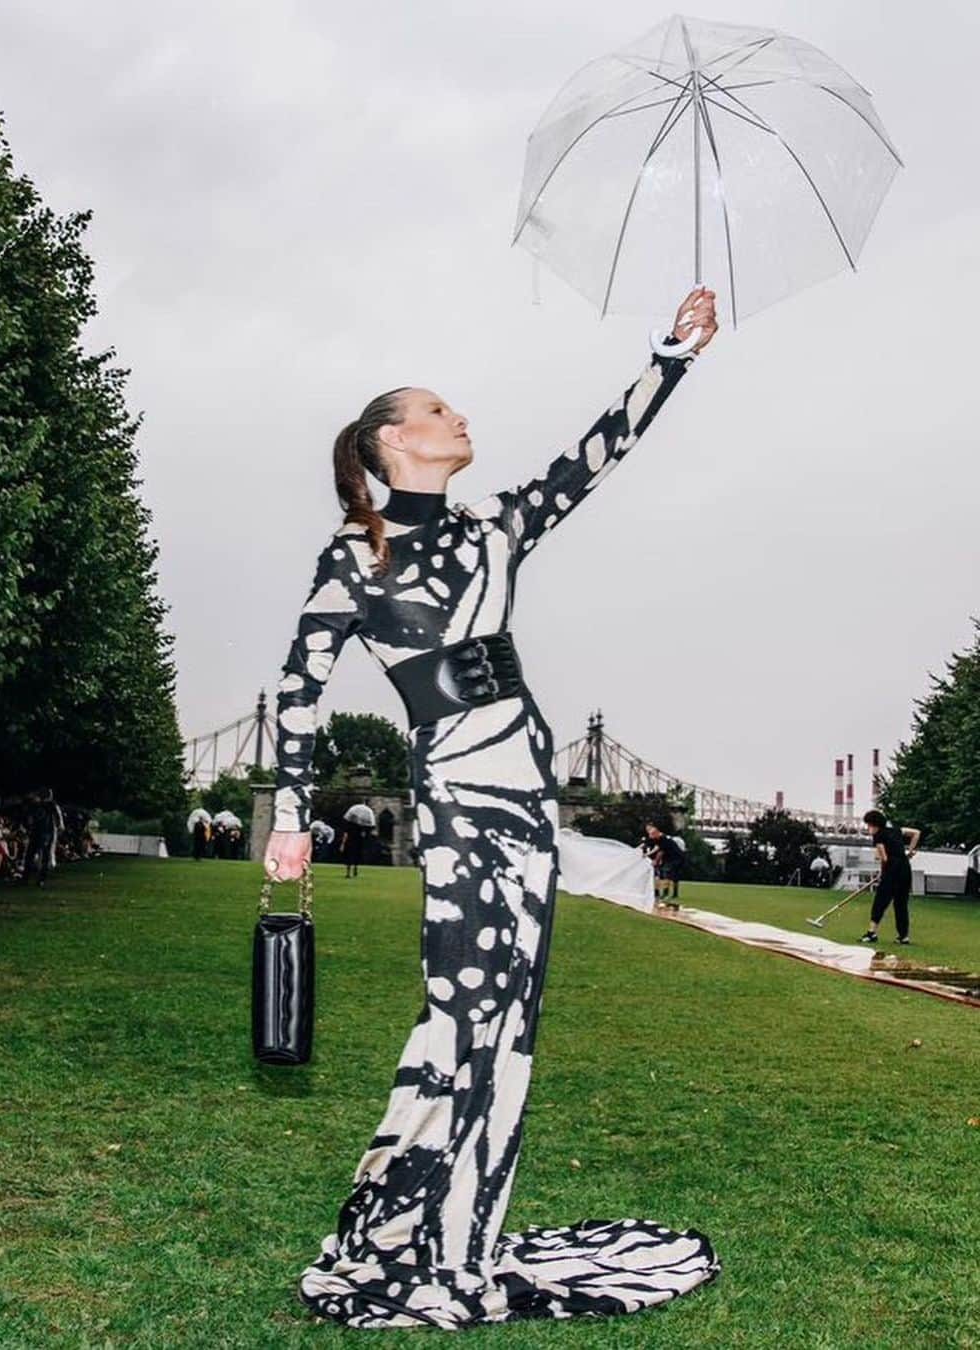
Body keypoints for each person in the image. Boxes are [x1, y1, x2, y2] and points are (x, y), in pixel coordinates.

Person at [263, 287, 719, 1329]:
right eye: (435, 410)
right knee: (463, 1016)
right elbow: (296, 689)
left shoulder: (493, 531)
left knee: (508, 1022)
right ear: (390, 443)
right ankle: (409, 1234)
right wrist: (291, 813)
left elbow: (590, 459)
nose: (458, 418)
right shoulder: (356, 557)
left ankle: (457, 1233)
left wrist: (670, 355)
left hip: (525, 788)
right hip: (460, 797)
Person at [858, 808, 920, 945]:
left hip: (892, 869)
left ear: (874, 825)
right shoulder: (896, 831)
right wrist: (909, 851)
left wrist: (882, 872)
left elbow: (884, 857)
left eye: (868, 825)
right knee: (901, 903)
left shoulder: (878, 836)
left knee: (880, 901)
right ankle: (903, 936)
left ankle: (871, 933)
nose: (868, 829)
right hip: (905, 869)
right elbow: (916, 833)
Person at [645, 821, 684, 900]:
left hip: (675, 858)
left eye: (652, 835)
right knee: (668, 874)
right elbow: (657, 848)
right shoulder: (659, 839)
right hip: (669, 858)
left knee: (668, 874)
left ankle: (666, 893)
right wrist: (648, 854)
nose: (651, 837)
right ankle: (671, 894)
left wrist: (656, 860)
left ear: (656, 833)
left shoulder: (663, 839)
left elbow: (660, 851)